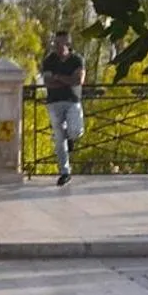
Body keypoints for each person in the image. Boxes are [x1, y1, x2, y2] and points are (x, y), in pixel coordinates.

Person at [41, 30, 86, 186]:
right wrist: (68, 79)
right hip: (54, 102)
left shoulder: (77, 60)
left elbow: (78, 80)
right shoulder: (49, 61)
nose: (59, 46)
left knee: (76, 131)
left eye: (62, 43)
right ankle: (65, 172)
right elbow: (48, 82)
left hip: (73, 101)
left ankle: (70, 138)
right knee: (59, 138)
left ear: (68, 44)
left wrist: (59, 77)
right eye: (56, 43)